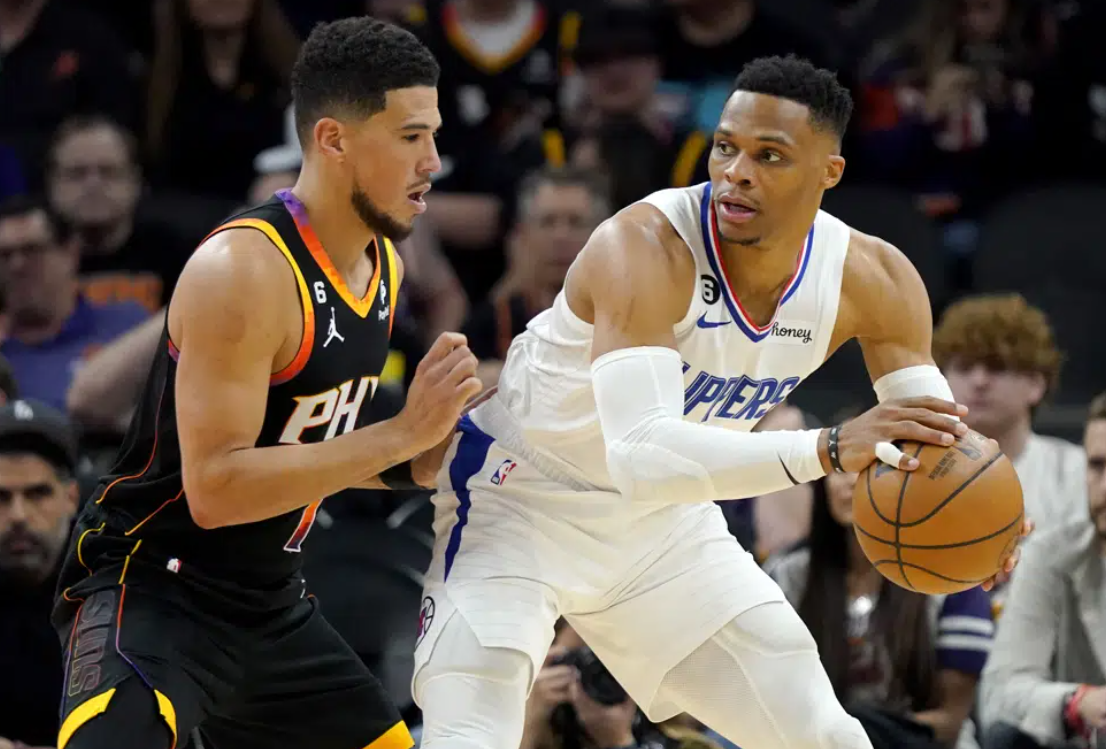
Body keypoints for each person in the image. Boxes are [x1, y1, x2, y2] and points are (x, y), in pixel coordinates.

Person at [412, 55, 1028, 749]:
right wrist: (826, 447)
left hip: (663, 528)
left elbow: (933, 445)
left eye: (770, 155)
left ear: (829, 173)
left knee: (824, 733)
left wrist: (991, 522)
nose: (736, 171)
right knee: (468, 733)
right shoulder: (642, 246)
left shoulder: (875, 277)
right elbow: (642, 452)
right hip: (520, 498)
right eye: (726, 147)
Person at [52, 17, 480, 749]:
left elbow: (312, 444)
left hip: (269, 605)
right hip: (154, 587)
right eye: (410, 136)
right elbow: (216, 489)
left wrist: (421, 461)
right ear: (332, 139)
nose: (434, 160)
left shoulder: (385, 267)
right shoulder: (243, 270)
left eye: (433, 134)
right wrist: (401, 429)